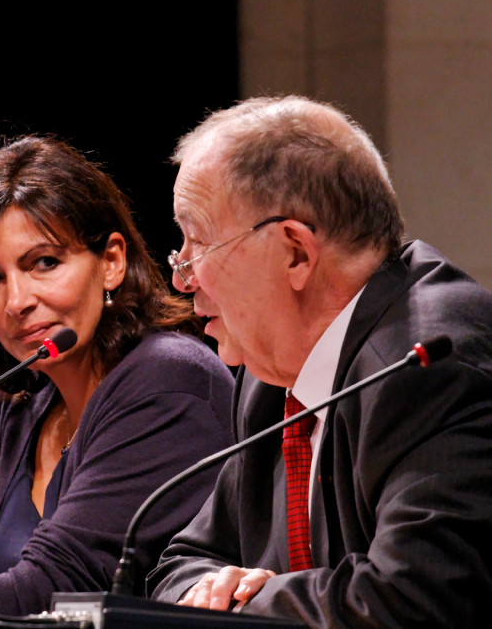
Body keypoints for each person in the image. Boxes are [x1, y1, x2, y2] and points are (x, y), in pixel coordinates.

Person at [147, 96, 492, 626]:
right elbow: (178, 567)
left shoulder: (427, 365)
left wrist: (256, 602)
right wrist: (223, 591)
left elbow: (417, 601)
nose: (181, 278)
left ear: (296, 254)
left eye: (197, 243)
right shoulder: (273, 383)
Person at [0, 136, 235, 615]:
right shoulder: (22, 400)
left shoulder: (168, 381)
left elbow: (52, 589)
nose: (16, 301)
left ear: (112, 262)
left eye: (44, 263)